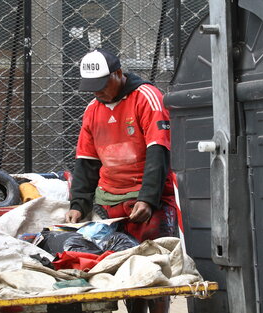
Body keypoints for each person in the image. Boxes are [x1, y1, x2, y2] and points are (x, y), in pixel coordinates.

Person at [65, 49, 178, 313]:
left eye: (102, 85)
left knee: (154, 268)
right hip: (110, 201)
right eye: (92, 88)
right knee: (124, 272)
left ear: (117, 74)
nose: (97, 92)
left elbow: (158, 149)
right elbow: (86, 161)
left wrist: (148, 199)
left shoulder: (147, 97)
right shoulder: (93, 109)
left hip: (148, 197)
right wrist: (78, 204)